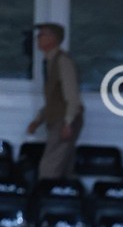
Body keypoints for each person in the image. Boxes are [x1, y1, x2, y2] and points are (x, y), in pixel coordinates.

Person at [26, 22, 84, 180]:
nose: (38, 38)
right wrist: (39, 119)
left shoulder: (63, 62)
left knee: (49, 169)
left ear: (54, 39)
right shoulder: (50, 62)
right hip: (59, 119)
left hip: (63, 121)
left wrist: (68, 123)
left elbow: (72, 97)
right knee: (64, 169)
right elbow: (54, 99)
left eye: (42, 34)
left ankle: (45, 200)